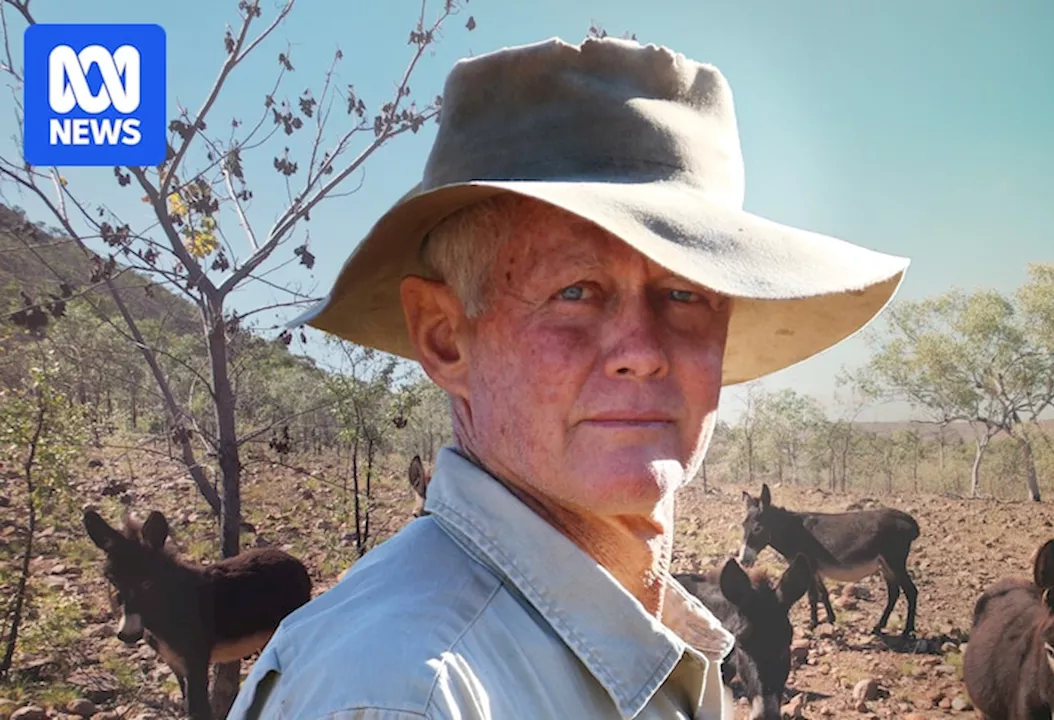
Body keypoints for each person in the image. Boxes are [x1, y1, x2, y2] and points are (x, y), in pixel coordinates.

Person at [227, 34, 909, 720]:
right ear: (445, 338)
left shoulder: (640, 622)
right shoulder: (405, 694)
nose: (642, 352)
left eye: (685, 294)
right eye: (576, 292)